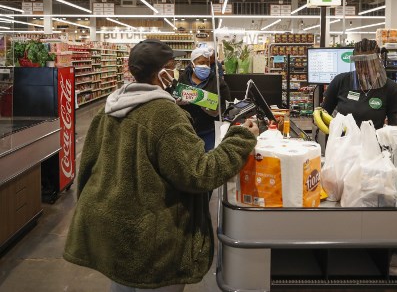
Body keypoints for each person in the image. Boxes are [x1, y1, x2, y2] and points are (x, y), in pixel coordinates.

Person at [63, 39, 258, 292]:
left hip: (115, 230)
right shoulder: (165, 115)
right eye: (172, 65)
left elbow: (87, 165)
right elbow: (199, 174)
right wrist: (241, 138)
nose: (175, 71)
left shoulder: (108, 108)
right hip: (153, 240)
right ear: (161, 72)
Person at [322, 38, 397, 129]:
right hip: (343, 141)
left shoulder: (391, 89)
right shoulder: (340, 81)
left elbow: (395, 129)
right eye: (359, 65)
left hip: (374, 142)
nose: (364, 70)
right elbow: (323, 114)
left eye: (369, 65)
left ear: (378, 61)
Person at [177, 47, 231, 151]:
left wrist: (217, 111)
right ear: (193, 63)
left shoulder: (217, 82)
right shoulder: (182, 79)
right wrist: (177, 103)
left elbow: (227, 104)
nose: (205, 66)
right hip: (187, 130)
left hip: (210, 131)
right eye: (201, 62)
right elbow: (174, 99)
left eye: (207, 63)